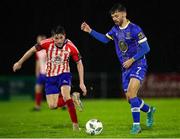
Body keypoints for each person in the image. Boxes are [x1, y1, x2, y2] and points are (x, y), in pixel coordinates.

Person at [81, 3, 155, 134]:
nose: (114, 18)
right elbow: (105, 39)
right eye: (112, 16)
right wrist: (90, 31)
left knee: (132, 93)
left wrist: (132, 59)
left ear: (124, 14)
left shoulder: (135, 29)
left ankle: (136, 126)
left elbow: (146, 48)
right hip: (125, 68)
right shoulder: (115, 30)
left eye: (116, 16)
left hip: (138, 64)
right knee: (130, 99)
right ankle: (149, 110)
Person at [13, 25, 87, 131]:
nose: (59, 40)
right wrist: (19, 62)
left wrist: (82, 82)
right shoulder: (47, 43)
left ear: (64, 36)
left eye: (61, 37)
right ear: (52, 38)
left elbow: (79, 63)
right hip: (50, 77)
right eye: (56, 38)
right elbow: (31, 50)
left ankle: (75, 126)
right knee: (52, 106)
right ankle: (73, 98)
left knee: (65, 96)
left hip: (64, 74)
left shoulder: (71, 46)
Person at [33, 35, 47, 110]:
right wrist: (37, 73)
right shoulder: (37, 52)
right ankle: (37, 106)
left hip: (49, 73)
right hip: (41, 74)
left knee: (57, 90)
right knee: (38, 88)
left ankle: (64, 105)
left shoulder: (48, 49)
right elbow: (38, 63)